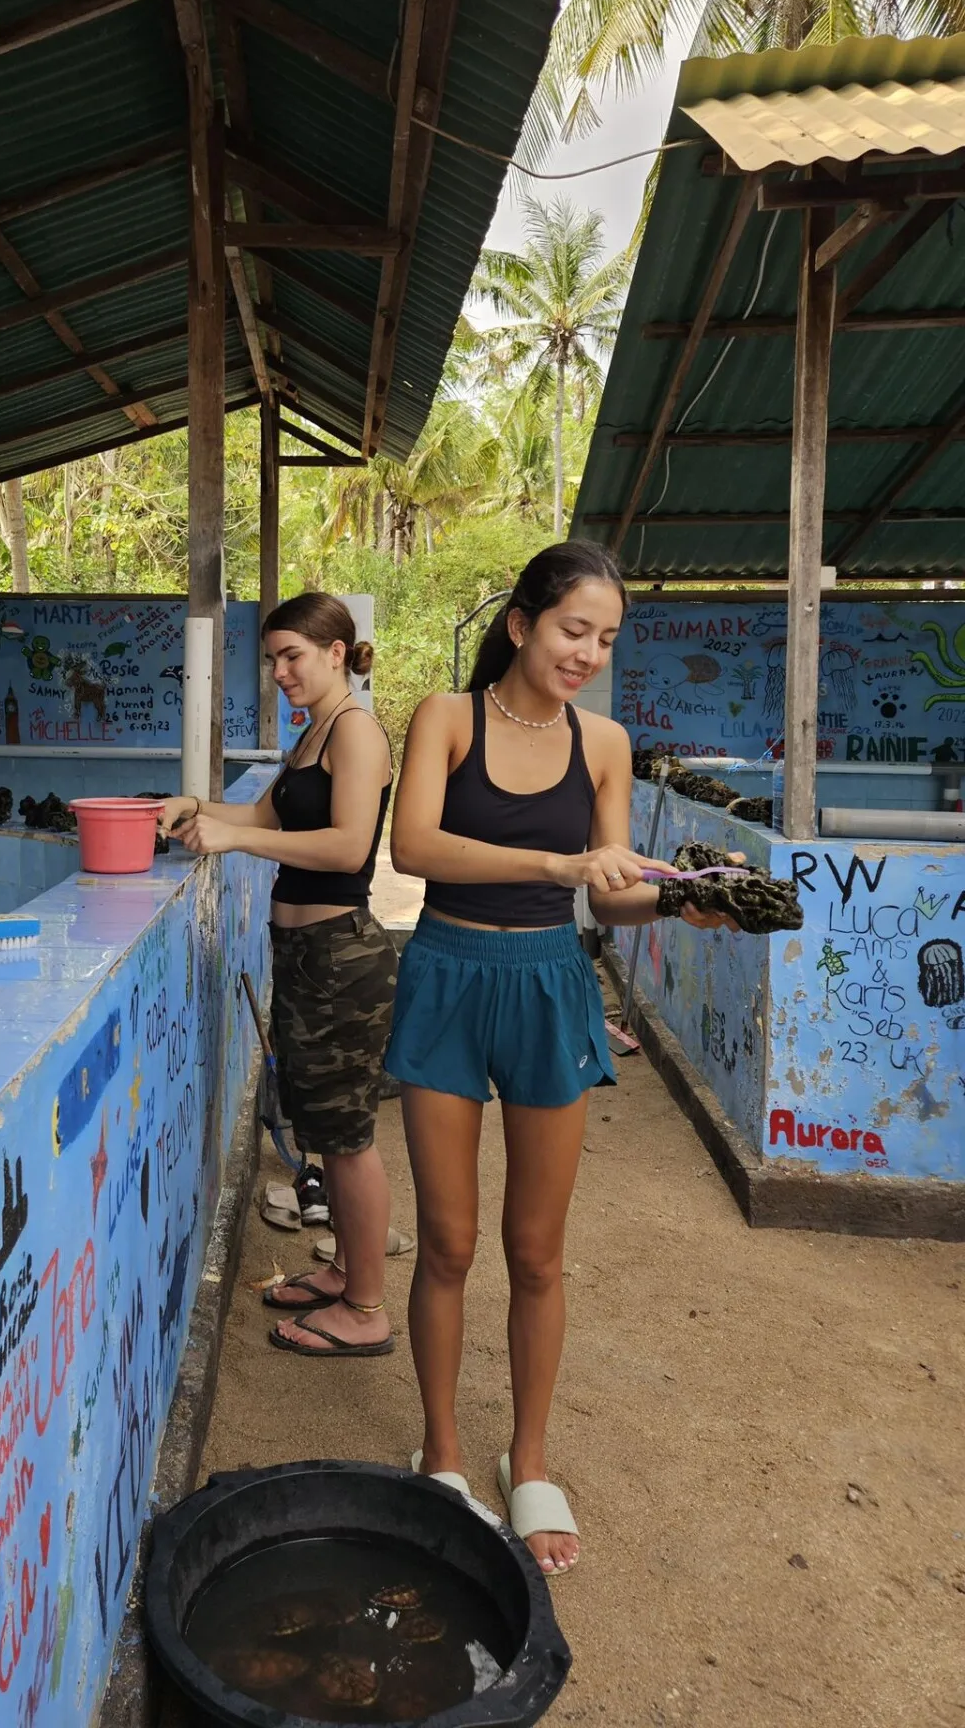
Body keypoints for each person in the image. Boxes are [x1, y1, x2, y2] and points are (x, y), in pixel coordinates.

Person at [387, 542, 741, 1574]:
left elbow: (610, 891)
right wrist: (560, 860)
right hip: (447, 974)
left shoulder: (606, 744)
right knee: (448, 1244)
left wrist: (677, 902)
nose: (588, 653)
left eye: (605, 639)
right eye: (572, 629)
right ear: (521, 625)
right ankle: (443, 1455)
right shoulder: (447, 720)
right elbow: (412, 848)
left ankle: (529, 1460)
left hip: (549, 983)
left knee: (537, 1253)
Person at [157, 593, 397, 1357]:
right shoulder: (313, 733)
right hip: (303, 952)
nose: (280, 671)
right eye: (273, 659)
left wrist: (234, 841)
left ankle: (366, 1309)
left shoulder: (356, 731)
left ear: (337, 652)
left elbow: (348, 846)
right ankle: (344, 1274)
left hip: (341, 955)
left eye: (293, 655)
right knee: (324, 1128)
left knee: (348, 1138)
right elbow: (268, 817)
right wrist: (197, 805)